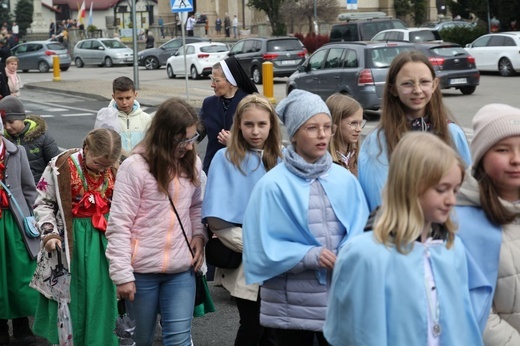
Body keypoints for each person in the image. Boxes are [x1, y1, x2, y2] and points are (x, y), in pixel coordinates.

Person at [323, 132, 483, 345]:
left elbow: (461, 324)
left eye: (455, 190)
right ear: (410, 186)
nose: (451, 200)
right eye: (441, 189)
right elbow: (354, 334)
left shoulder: (451, 248)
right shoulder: (364, 254)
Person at [242, 90, 369, 346]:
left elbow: (361, 230)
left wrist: (350, 251)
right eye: (312, 128)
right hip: (290, 309)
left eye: (326, 127)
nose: (322, 135)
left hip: (337, 301)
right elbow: (261, 247)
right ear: (295, 134)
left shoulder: (344, 179)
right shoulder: (272, 185)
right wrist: (308, 255)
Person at [105, 97, 208, 346]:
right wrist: (122, 275)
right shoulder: (134, 168)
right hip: (140, 273)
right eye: (182, 140)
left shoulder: (192, 163)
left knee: (179, 339)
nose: (188, 146)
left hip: (181, 271)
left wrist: (199, 236)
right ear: (164, 135)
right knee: (141, 340)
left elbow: (196, 206)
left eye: (192, 139)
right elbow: (119, 224)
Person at [202, 94, 282, 345]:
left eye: (262, 124)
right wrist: (256, 247)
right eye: (249, 124)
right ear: (239, 125)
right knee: (252, 324)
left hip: (281, 257)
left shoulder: (283, 159)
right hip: (246, 256)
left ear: (272, 125)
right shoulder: (225, 159)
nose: (255, 131)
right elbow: (216, 220)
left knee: (275, 330)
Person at [31, 128, 122, 345]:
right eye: (98, 163)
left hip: (103, 241)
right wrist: (49, 233)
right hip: (68, 242)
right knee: (70, 295)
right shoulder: (60, 166)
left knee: (102, 295)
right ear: (86, 148)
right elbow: (43, 202)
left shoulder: (118, 169)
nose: (102, 170)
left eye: (107, 166)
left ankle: (100, 340)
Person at [358, 50, 471, 212]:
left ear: (434, 85)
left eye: (424, 82)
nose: (417, 90)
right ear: (393, 89)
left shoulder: (452, 133)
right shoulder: (378, 141)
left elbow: (465, 191)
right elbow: (376, 195)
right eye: (407, 83)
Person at [455, 104, 520, 344]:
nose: (516, 159)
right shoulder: (460, 222)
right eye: (503, 150)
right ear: (481, 158)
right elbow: (476, 312)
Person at [0, 115, 38, 345]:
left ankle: (22, 325)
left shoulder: (17, 152)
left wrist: (37, 218)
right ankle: (1, 325)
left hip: (15, 223)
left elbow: (29, 189)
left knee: (20, 274)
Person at [198, 56, 258, 174]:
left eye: (216, 80)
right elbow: (198, 132)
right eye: (212, 79)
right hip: (213, 169)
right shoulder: (209, 103)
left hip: (242, 169)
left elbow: (261, 139)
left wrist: (235, 142)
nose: (212, 85)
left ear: (231, 82)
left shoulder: (250, 103)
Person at [1, 96, 60, 183]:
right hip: (14, 191)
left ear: (22, 118)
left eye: (11, 122)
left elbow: (58, 164)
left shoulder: (42, 138)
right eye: (3, 123)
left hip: (40, 189)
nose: (7, 127)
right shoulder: (3, 141)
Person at [94, 76, 151, 158]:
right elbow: (100, 145)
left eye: (128, 98)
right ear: (113, 97)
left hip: (138, 165)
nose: (124, 102)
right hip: (114, 166)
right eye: (120, 98)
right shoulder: (106, 118)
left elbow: (151, 146)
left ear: (135, 95)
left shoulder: (146, 119)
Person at [326, 93, 365, 176]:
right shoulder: (324, 162)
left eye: (360, 123)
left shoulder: (360, 158)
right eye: (353, 123)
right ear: (335, 123)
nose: (359, 129)